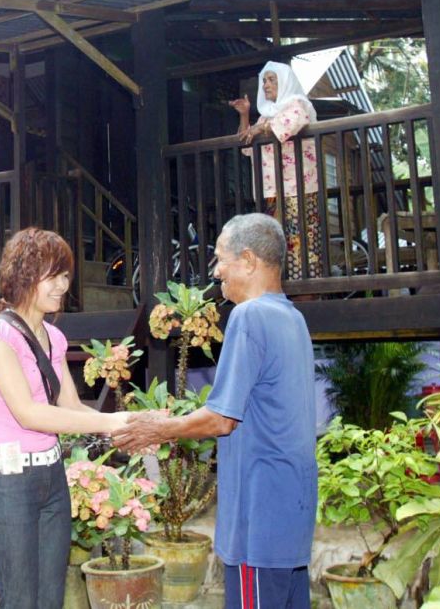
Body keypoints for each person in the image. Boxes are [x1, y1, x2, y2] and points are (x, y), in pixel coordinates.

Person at [114, 214, 317, 609]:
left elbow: (221, 418)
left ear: (248, 260)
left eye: (221, 259)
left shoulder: (249, 315)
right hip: (291, 513)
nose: (216, 270)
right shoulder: (294, 319)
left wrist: (159, 428)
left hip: (257, 518)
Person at [0, 227, 130, 609]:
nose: (62, 286)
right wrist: (110, 424)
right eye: (53, 275)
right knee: (22, 601)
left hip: (51, 478)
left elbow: (70, 406)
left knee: (50, 599)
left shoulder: (54, 338)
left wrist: (129, 420)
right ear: (24, 274)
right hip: (7, 482)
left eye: (65, 276)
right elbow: (30, 414)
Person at [231, 61, 324, 279]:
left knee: (300, 241)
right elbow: (246, 147)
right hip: (271, 190)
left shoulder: (297, 104)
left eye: (271, 79)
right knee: (274, 242)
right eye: (264, 80)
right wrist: (245, 115)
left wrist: (259, 128)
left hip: (297, 188)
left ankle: (306, 291)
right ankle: (280, 286)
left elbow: (290, 123)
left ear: (285, 82)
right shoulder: (266, 116)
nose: (265, 85)